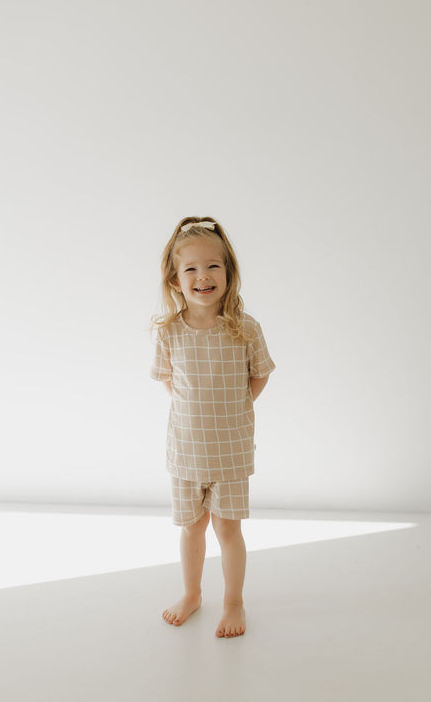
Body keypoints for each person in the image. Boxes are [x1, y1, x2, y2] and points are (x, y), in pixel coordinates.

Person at [150, 216, 275, 638]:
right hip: (186, 450)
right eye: (191, 269)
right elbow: (169, 380)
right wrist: (196, 411)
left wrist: (234, 409)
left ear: (228, 272)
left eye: (212, 266)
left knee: (227, 528)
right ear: (175, 279)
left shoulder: (245, 328)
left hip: (231, 450)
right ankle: (191, 593)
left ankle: (234, 602)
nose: (203, 276)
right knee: (192, 527)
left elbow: (259, 374)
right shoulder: (169, 332)